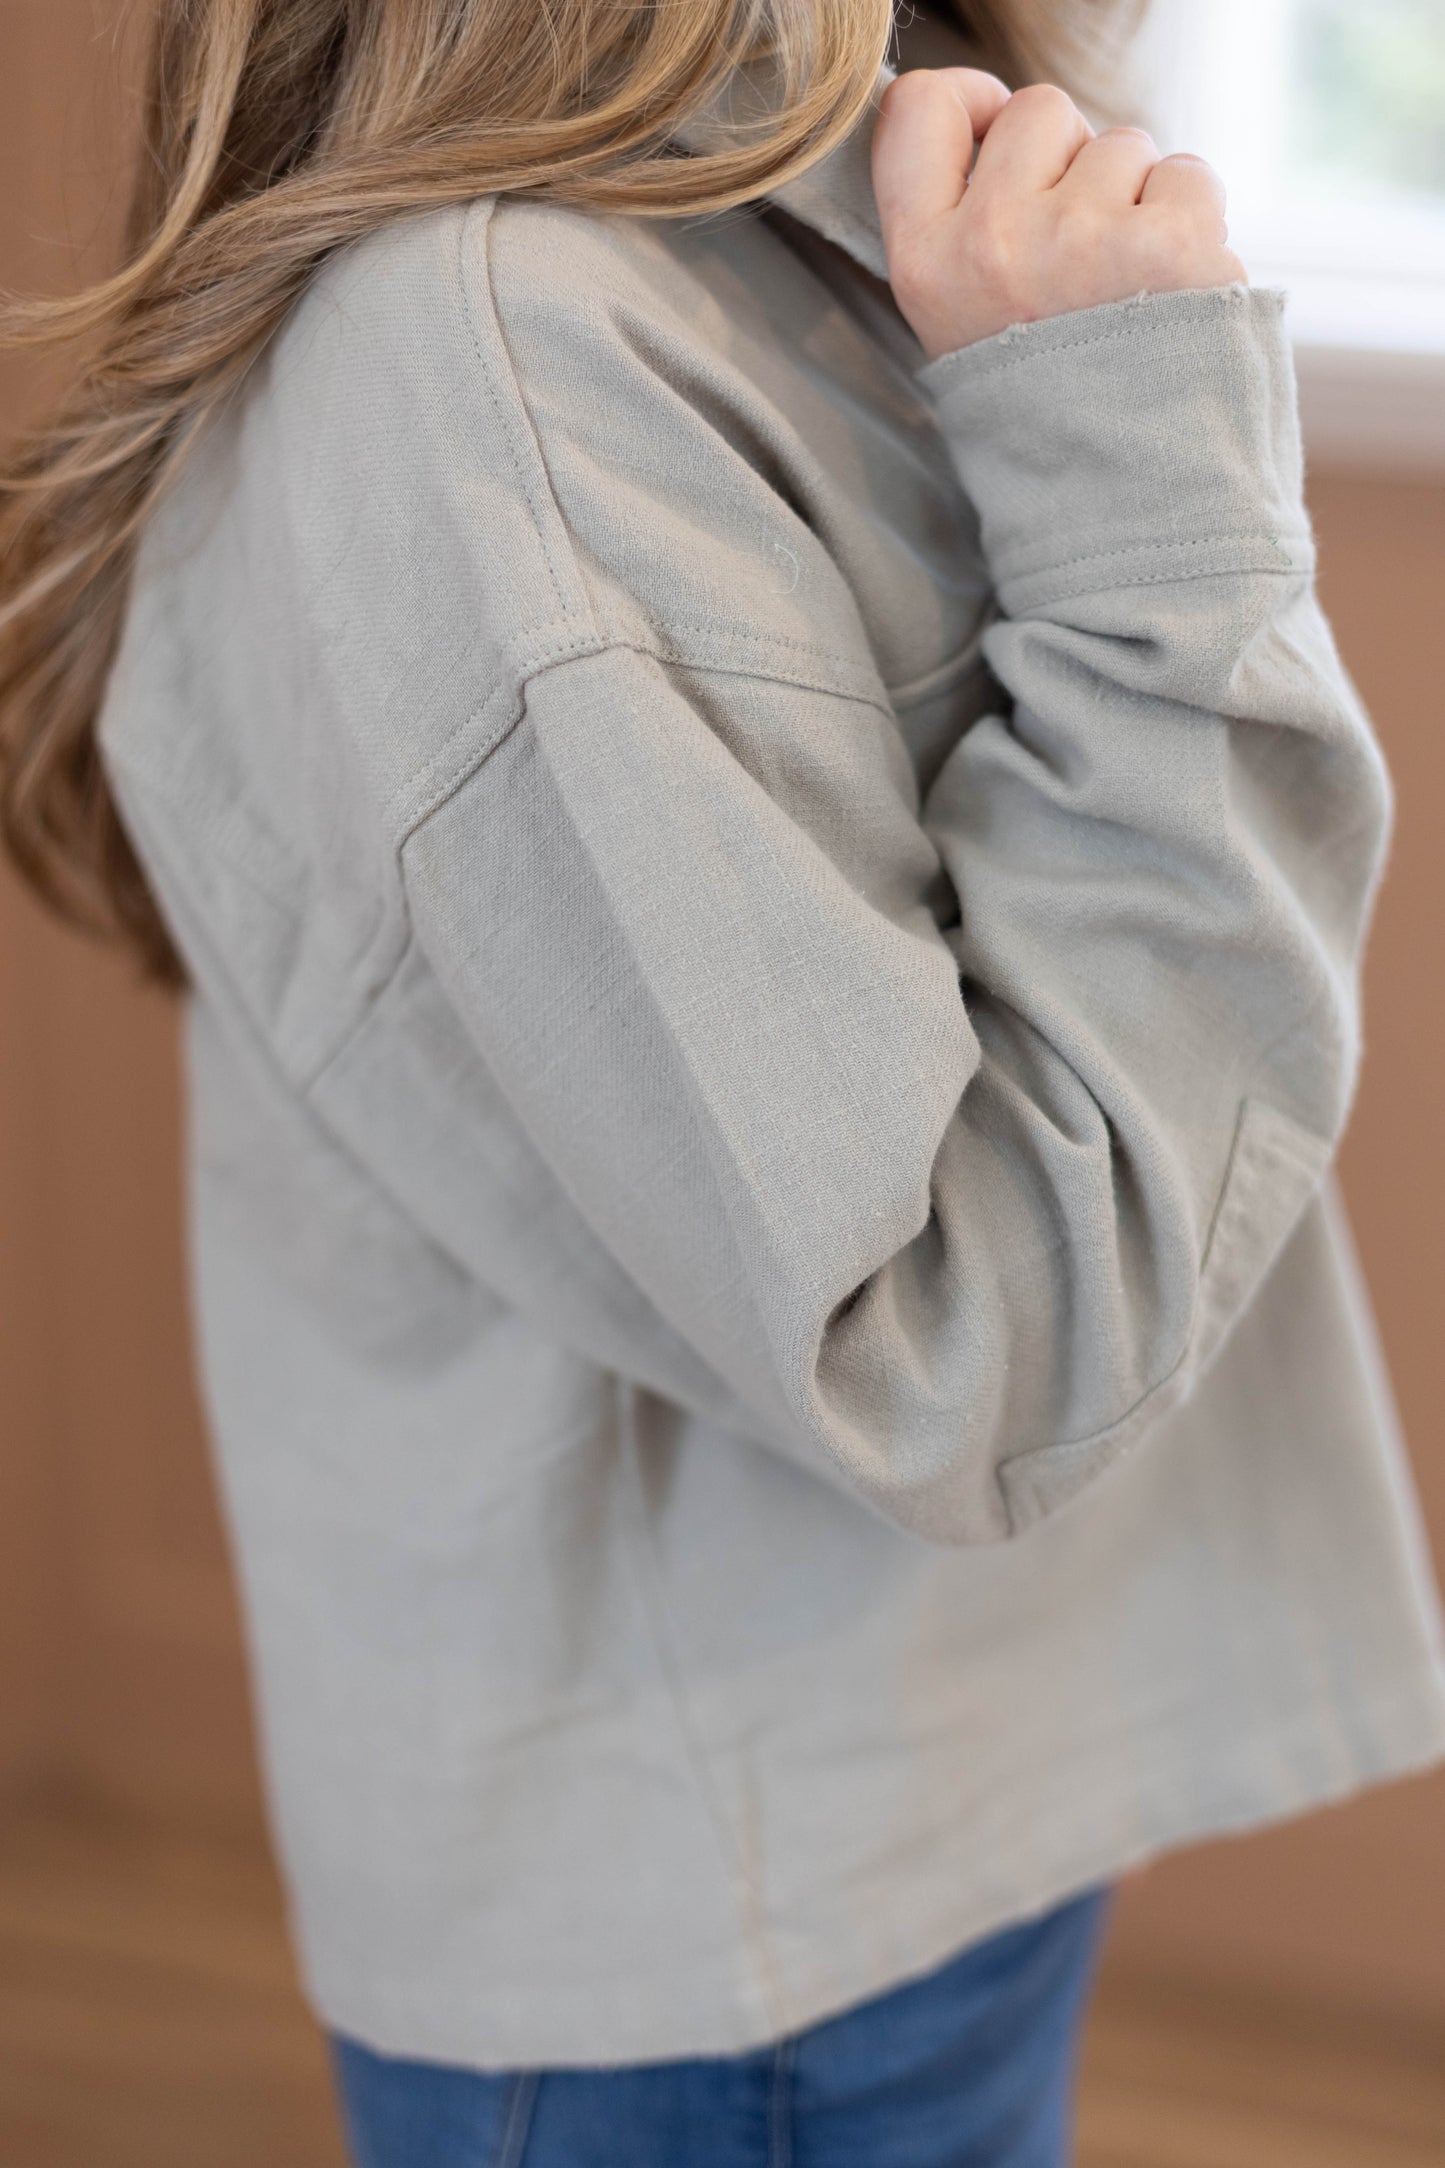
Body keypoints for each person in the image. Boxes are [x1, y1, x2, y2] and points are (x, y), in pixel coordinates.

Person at [4, 0, 1444, 2161]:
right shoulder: (496, 367)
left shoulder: (766, 199)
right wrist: (1146, 488)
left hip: (878, 1816)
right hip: (736, 1959)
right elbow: (954, 1344)